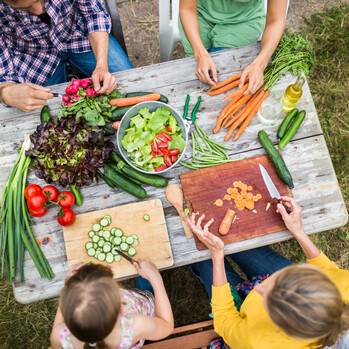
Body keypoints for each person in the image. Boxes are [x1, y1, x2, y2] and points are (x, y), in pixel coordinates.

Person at [187, 196, 349, 348]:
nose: (257, 287)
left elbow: (223, 317)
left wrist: (216, 255)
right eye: (278, 280)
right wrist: (298, 230)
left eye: (267, 299)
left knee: (201, 258)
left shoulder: (257, 342)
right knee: (235, 239)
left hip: (240, 314)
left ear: (278, 323)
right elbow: (329, 270)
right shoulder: (345, 285)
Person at [0, 0, 133, 112]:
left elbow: (94, 14)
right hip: (32, 56)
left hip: (79, 35)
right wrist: (5, 93)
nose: (38, 10)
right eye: (25, 8)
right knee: (37, 110)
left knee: (129, 82)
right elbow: (3, 72)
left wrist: (102, 65)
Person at [50, 259, 174, 349]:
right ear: (122, 308)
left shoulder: (59, 337)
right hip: (143, 308)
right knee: (148, 299)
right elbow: (167, 325)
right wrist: (155, 278)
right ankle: (149, 292)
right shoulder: (137, 325)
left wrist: (69, 286)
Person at [179, 0, 288, 94]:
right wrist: (200, 55)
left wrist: (259, 64)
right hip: (200, 14)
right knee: (195, 73)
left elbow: (276, 20)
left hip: (243, 21)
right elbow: (187, 9)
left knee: (222, 75)